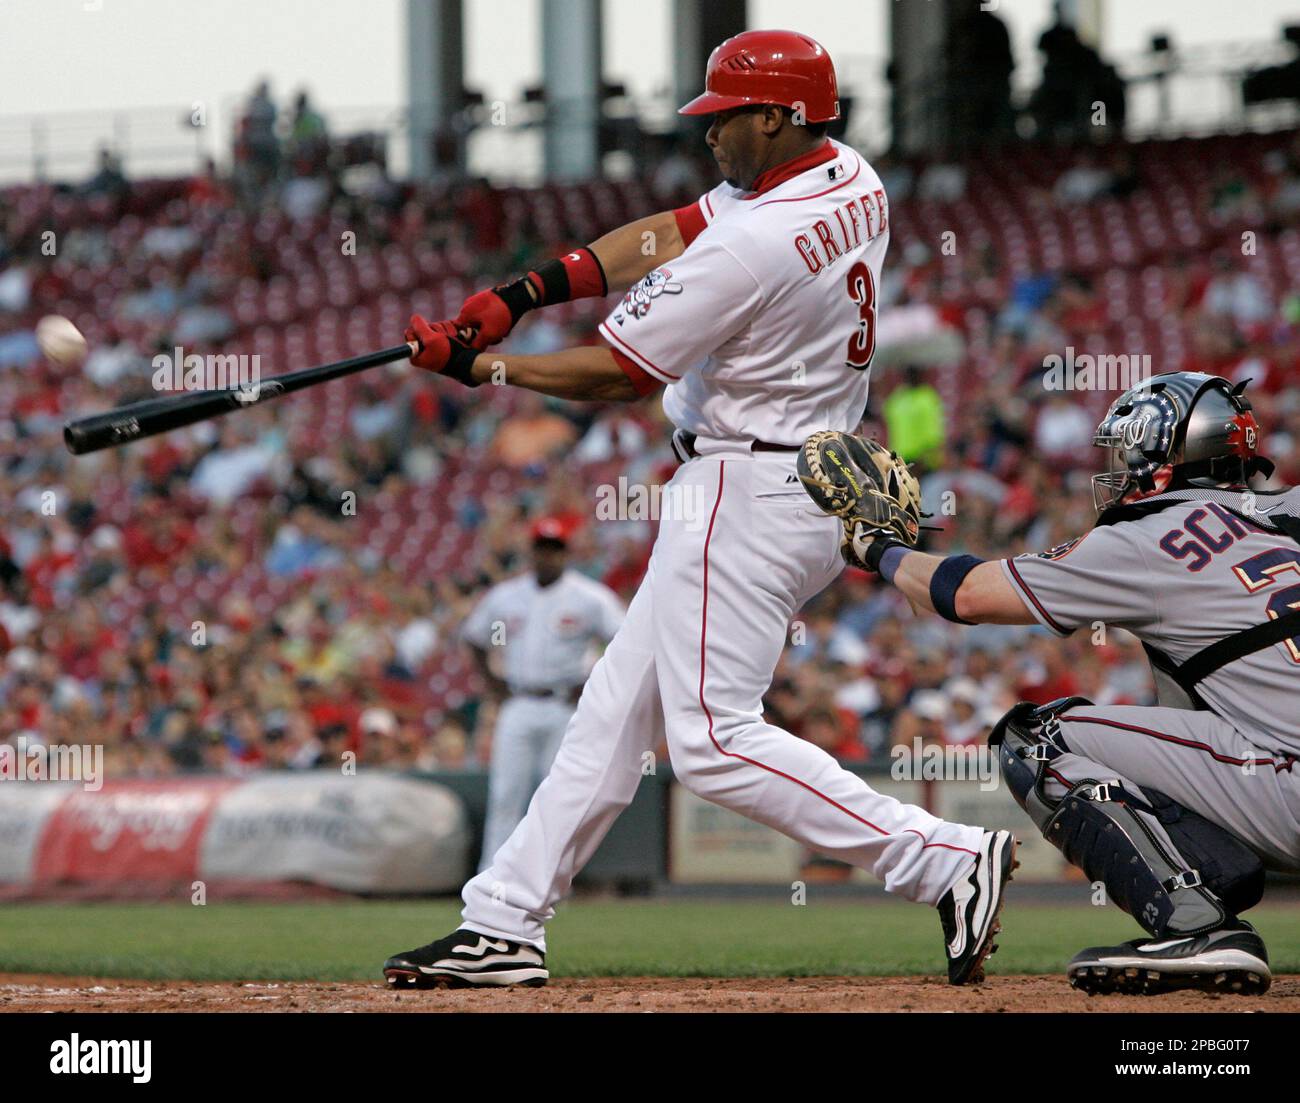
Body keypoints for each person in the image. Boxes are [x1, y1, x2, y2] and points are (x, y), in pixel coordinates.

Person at [383, 29, 1014, 991]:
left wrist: (482, 365)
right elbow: (674, 228)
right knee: (613, 714)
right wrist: (525, 293)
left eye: (724, 117)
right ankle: (504, 919)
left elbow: (616, 375)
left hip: (744, 488)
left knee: (713, 741)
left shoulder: (757, 244)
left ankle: (942, 855)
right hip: (800, 474)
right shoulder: (850, 176)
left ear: (776, 117)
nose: (709, 132)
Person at [812, 371, 1295, 996]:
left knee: (1039, 739)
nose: (1120, 468)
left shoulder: (1144, 539)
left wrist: (878, 547)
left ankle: (1196, 922)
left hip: (1285, 783)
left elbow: (964, 594)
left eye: (1130, 452)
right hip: (1272, 765)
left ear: (1164, 458)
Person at [461, 518, 624, 871]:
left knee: (557, 797)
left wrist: (591, 683)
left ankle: (549, 879)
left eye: (555, 549)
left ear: (566, 554)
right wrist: (493, 683)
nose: (547, 556)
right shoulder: (507, 596)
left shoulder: (588, 596)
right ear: (531, 551)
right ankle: (492, 880)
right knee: (506, 794)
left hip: (565, 703)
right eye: (542, 548)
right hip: (518, 701)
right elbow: (474, 637)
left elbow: (624, 641)